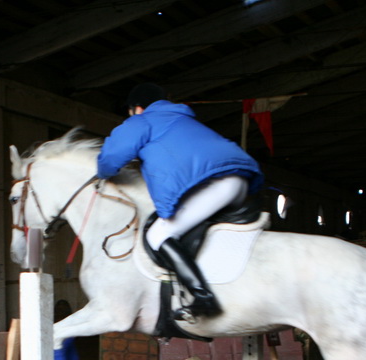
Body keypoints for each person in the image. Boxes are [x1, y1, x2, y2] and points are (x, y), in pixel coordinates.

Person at [96, 83, 264, 321]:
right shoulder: (184, 119)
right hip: (240, 182)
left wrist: (101, 173)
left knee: (159, 234)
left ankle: (203, 297)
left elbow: (110, 159)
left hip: (216, 186)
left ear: (137, 108)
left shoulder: (142, 121)